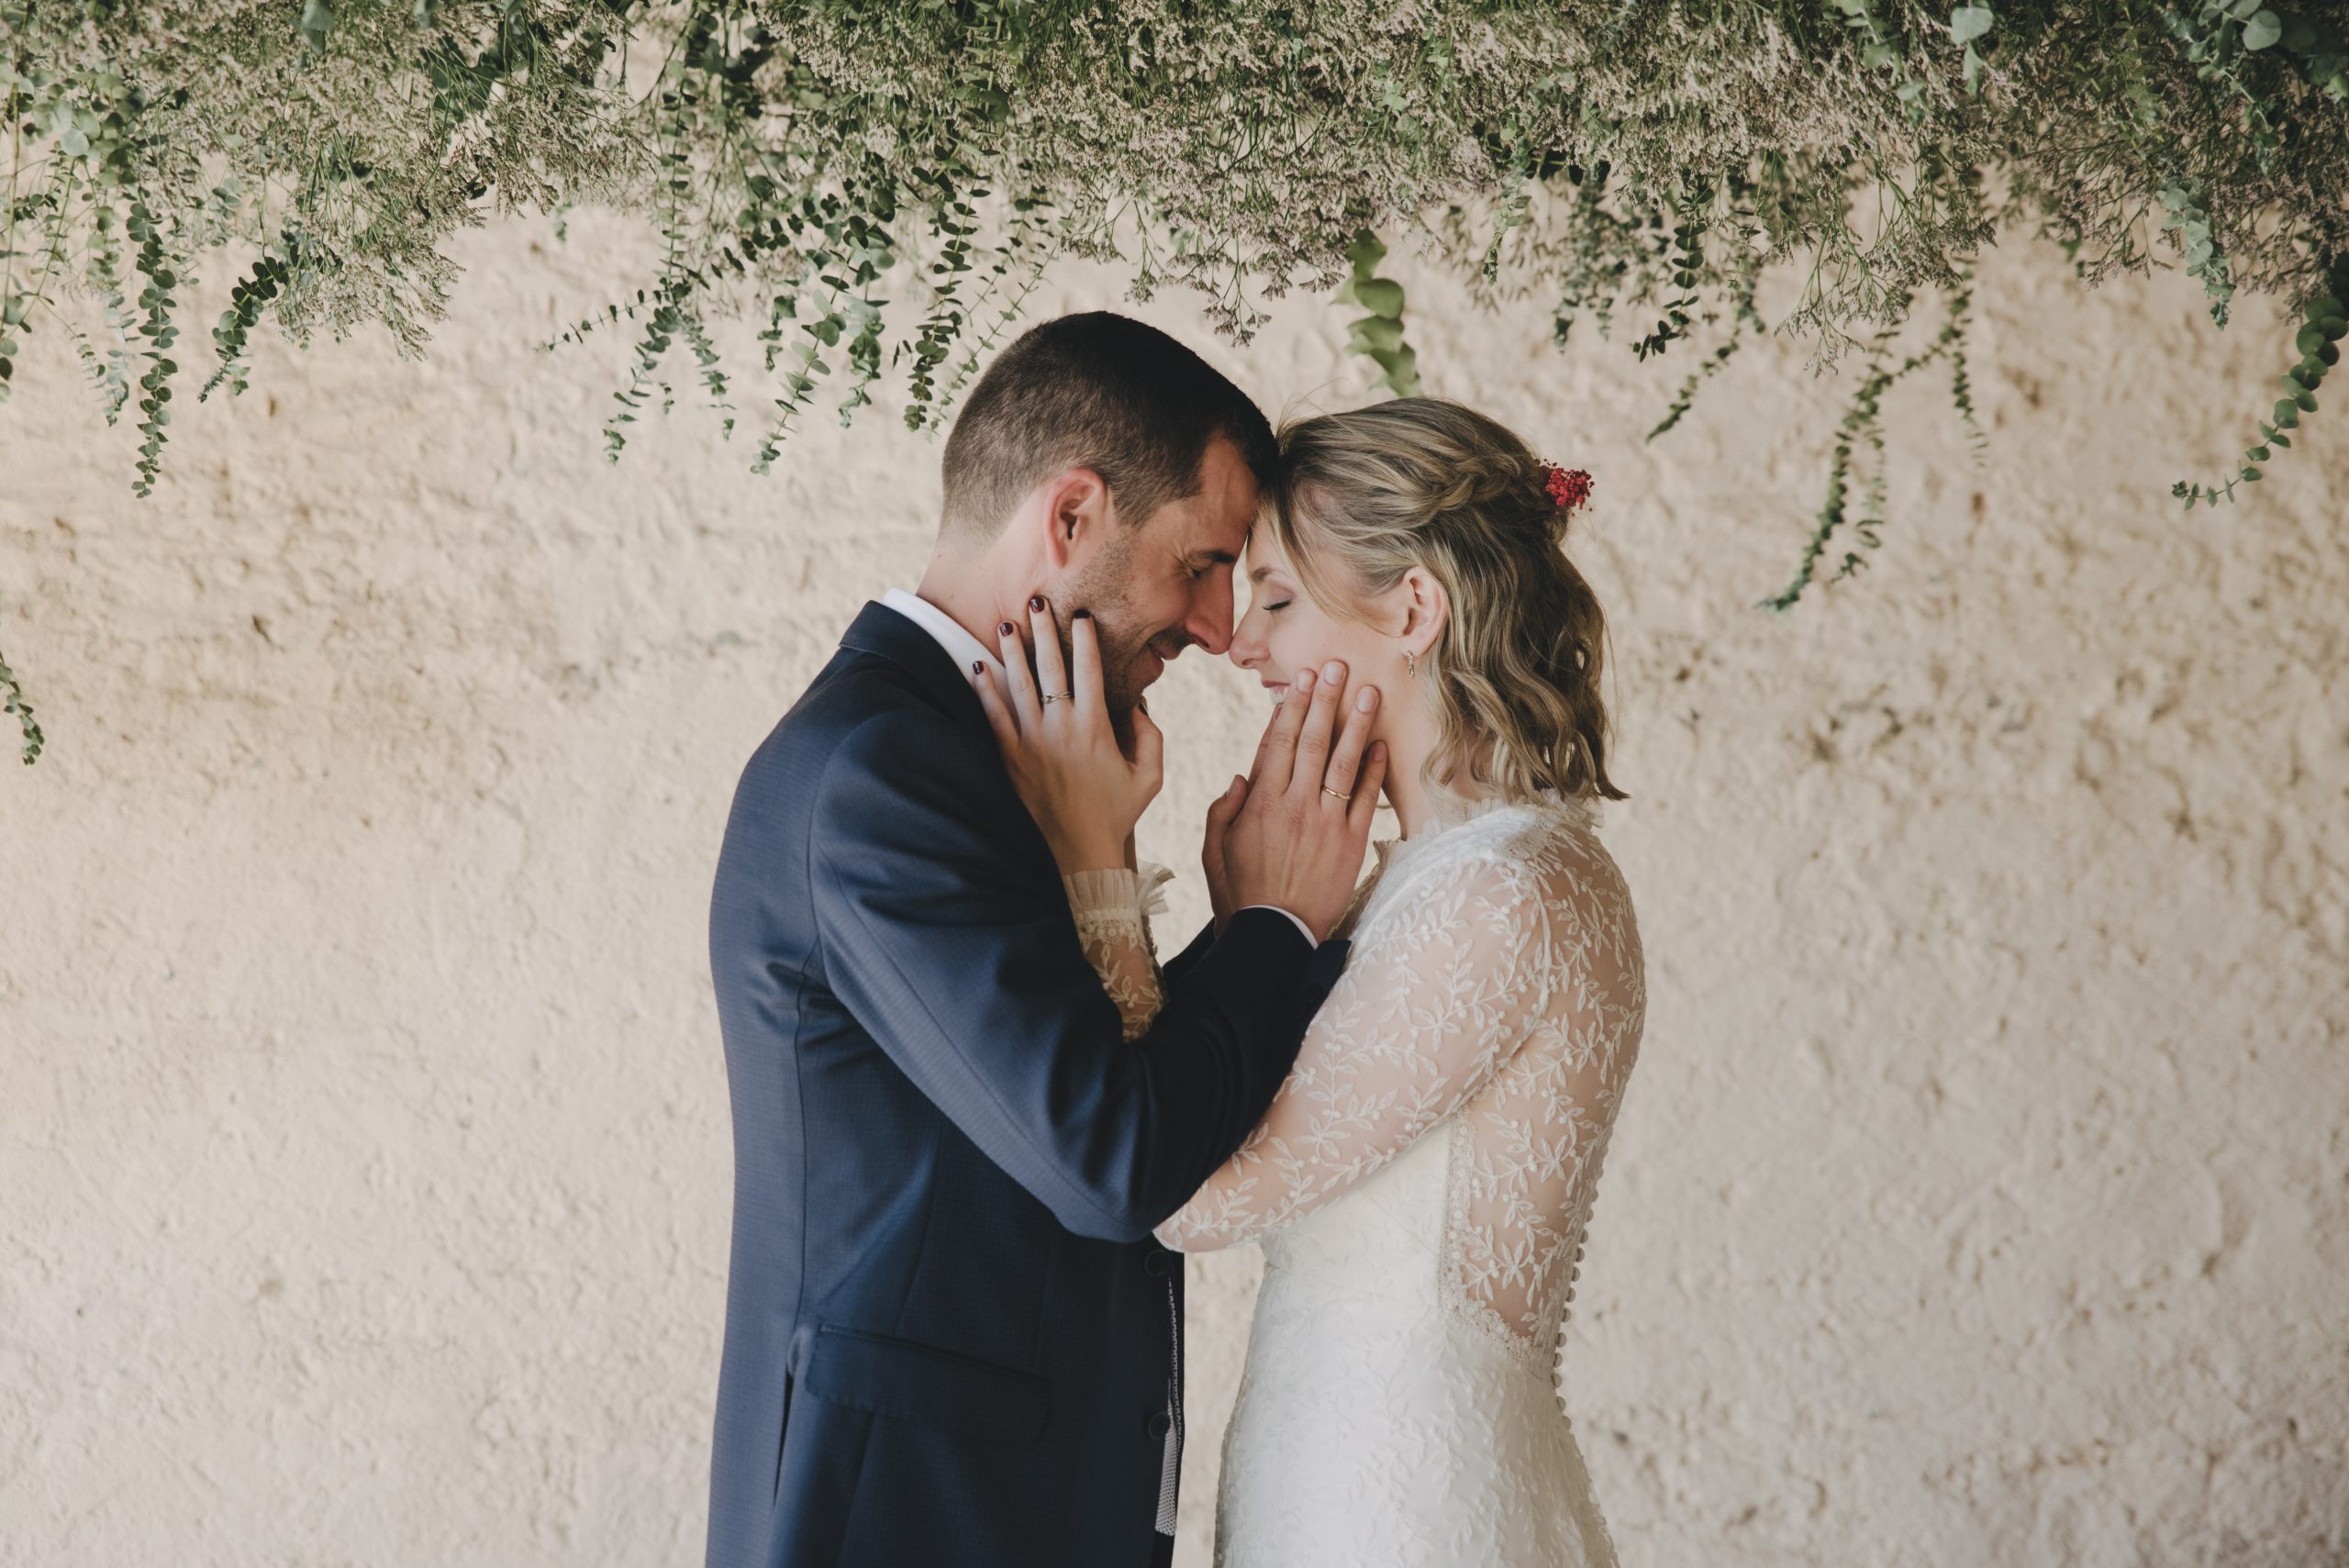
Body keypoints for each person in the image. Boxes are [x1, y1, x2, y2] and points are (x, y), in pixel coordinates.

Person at [702, 311, 1386, 1568]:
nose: (1223, 623)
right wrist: (1271, 927)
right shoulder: (880, 771)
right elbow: (1105, 1155)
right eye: (1202, 562)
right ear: (1071, 517)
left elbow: (1065, 1087)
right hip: (905, 1519)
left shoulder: (987, 750)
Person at [983, 397, 1647, 1566]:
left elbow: (1188, 1195)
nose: (1243, 645)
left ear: (1413, 609)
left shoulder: (1497, 896)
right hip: (1344, 1464)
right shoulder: (1440, 880)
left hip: (1397, 1499)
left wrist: (1097, 859)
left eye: (1279, 601)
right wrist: (1264, 925)